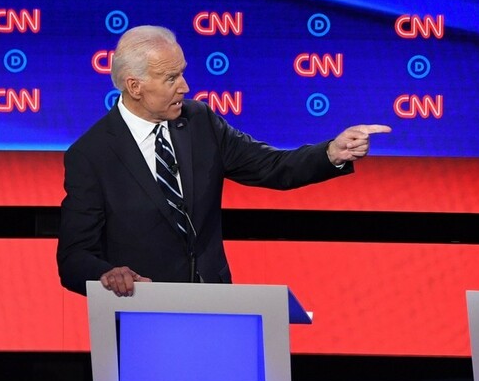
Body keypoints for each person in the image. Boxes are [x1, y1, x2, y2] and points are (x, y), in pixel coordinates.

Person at [57, 25, 390, 297]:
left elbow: (270, 166)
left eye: (182, 74)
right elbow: (74, 258)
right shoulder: (91, 155)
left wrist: (331, 153)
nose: (185, 87)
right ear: (135, 86)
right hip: (143, 312)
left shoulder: (199, 121)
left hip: (213, 303)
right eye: (171, 78)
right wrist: (107, 274)